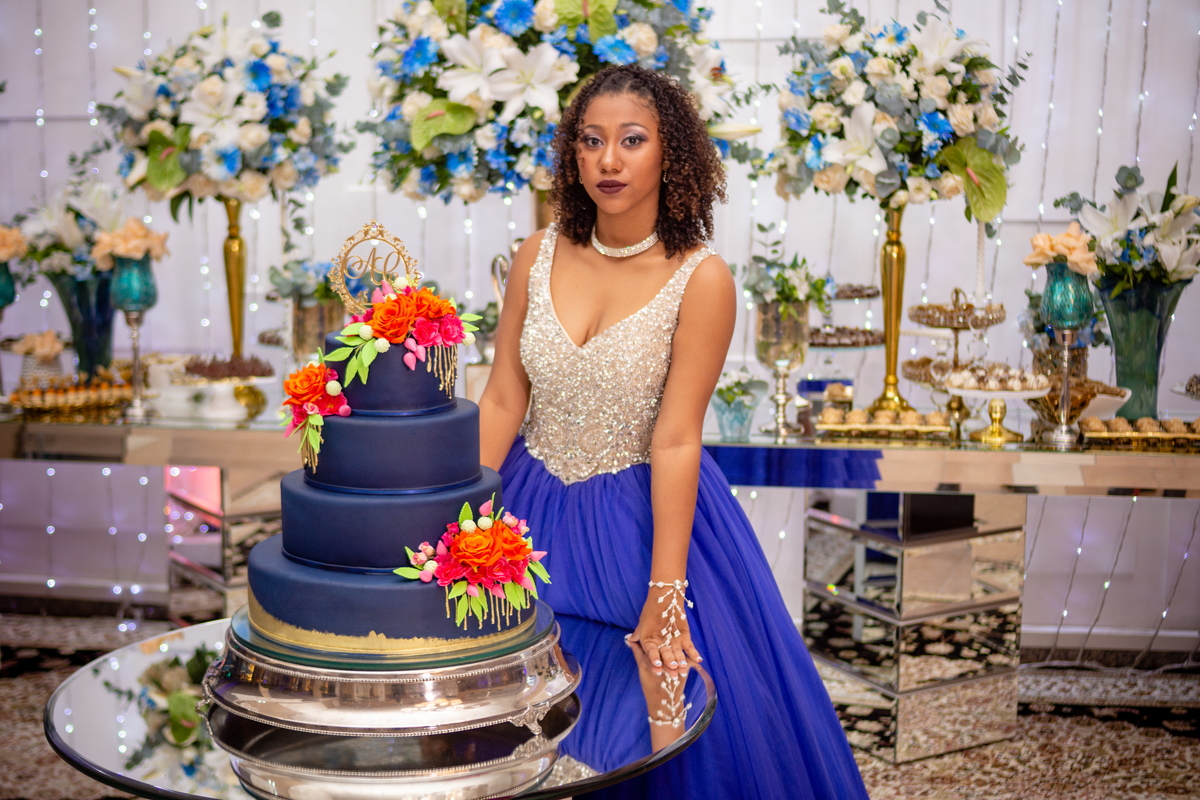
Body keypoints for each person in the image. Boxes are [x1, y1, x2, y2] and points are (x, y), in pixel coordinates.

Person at [479, 64, 869, 800]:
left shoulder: (702, 278)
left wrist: (665, 589)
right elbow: (503, 396)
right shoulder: (535, 254)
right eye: (591, 140)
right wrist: (459, 519)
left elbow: (678, 438)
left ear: (671, 154)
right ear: (572, 154)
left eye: (632, 140)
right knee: (516, 720)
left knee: (657, 720)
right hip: (525, 513)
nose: (609, 160)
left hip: (639, 521)